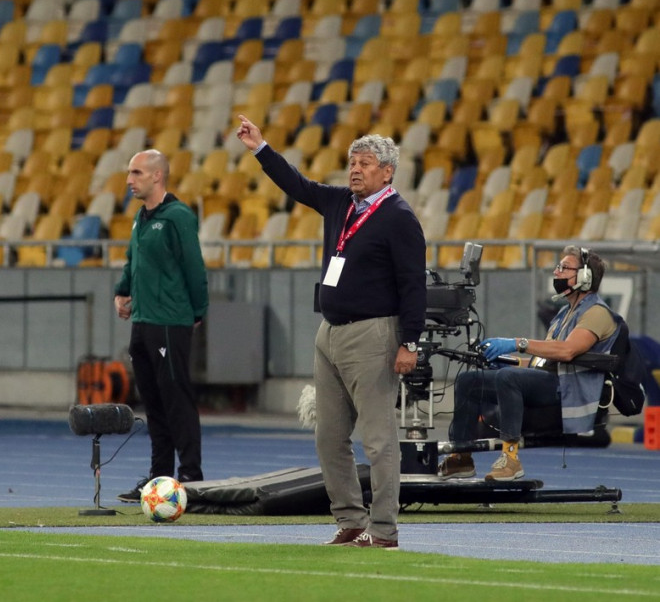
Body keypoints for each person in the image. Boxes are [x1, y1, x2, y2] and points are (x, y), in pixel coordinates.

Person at [235, 116, 426, 550]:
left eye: (365, 163)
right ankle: (351, 519)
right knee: (328, 436)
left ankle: (384, 530)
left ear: (387, 171)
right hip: (330, 333)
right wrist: (261, 148)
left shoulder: (399, 218)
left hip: (373, 335)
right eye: (352, 162)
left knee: (378, 441)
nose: (355, 169)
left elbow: (414, 284)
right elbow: (297, 185)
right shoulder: (341, 203)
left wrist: (409, 342)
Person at [438, 246, 617, 481]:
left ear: (585, 277)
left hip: (570, 388)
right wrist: (509, 362)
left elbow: (566, 351)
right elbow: (544, 362)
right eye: (558, 266)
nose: (557, 271)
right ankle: (461, 457)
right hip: (551, 380)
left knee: (508, 378)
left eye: (564, 268)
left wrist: (517, 343)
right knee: (469, 381)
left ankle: (510, 459)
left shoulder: (597, 313)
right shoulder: (564, 313)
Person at [113, 149, 209, 503]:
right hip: (143, 322)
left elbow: (194, 267)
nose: (129, 180)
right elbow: (132, 259)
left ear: (157, 176)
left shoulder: (177, 216)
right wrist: (122, 291)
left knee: (177, 400)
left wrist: (197, 311)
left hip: (170, 322)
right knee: (153, 403)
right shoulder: (142, 217)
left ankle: (191, 476)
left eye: (136, 172)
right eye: (129, 172)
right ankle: (160, 477)